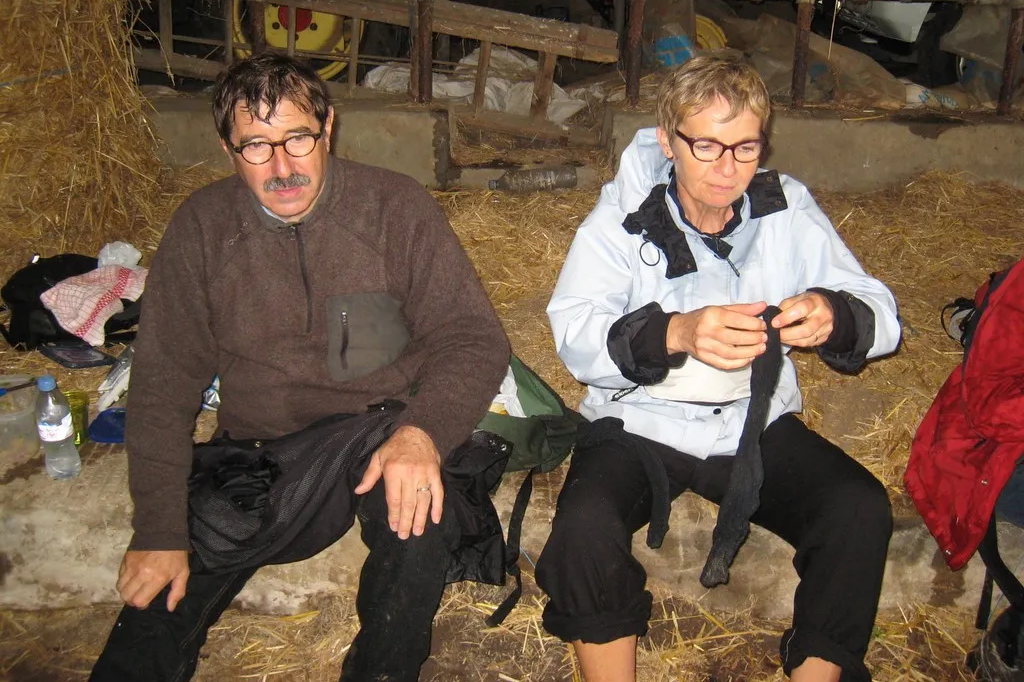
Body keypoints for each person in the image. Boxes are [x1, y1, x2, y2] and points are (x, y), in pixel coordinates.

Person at [90, 52, 510, 681]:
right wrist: (157, 528)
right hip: (261, 448)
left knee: (420, 519)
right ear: (228, 149)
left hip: (376, 431)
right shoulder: (202, 229)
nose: (283, 166)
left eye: (297, 139)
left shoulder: (394, 207)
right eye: (257, 146)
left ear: (328, 127)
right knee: (159, 597)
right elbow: (161, 387)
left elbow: (473, 337)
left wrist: (422, 432)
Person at [537, 57, 901, 682]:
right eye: (705, 145)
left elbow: (880, 312)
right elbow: (574, 332)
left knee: (858, 509)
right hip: (640, 420)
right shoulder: (623, 216)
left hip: (750, 422)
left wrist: (833, 314)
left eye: (745, 147)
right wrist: (675, 332)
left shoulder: (784, 207)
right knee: (583, 527)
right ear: (667, 141)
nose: (727, 167)